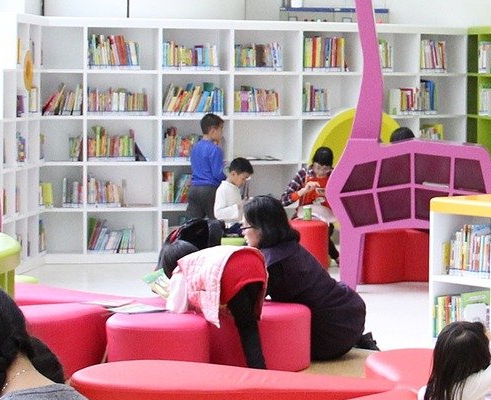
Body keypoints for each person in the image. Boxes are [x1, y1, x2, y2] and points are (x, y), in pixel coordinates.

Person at [240, 195, 376, 358]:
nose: (243, 233)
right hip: (347, 314)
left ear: (262, 228)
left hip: (331, 333)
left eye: (245, 227)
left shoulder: (273, 262)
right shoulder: (287, 248)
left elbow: (246, 303)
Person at [159, 235, 269, 371]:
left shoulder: (181, 269)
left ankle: (259, 370)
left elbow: (177, 307)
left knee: (247, 327)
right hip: (254, 262)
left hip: (234, 272)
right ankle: (259, 369)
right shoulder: (202, 258)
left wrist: (168, 295)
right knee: (249, 322)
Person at [184, 113, 227, 245]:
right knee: (216, 223)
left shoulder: (194, 147)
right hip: (210, 189)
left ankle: (190, 248)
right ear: (213, 130)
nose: (221, 133)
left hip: (194, 188)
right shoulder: (215, 150)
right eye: (221, 129)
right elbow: (217, 174)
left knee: (192, 225)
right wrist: (228, 180)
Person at [212, 157, 253, 240]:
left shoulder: (234, 188)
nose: (244, 182)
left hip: (237, 224)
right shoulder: (223, 189)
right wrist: (238, 206)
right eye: (243, 178)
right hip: (230, 229)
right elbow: (218, 213)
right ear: (233, 174)